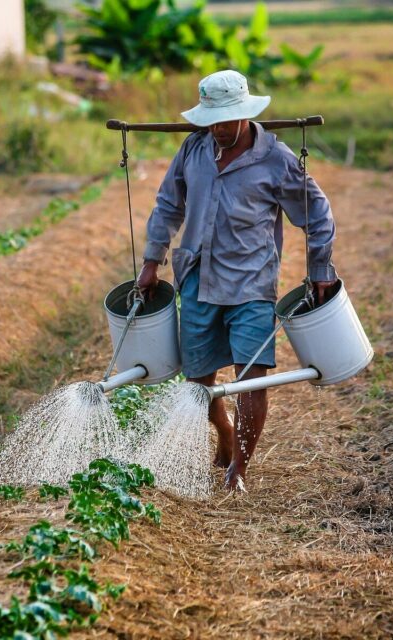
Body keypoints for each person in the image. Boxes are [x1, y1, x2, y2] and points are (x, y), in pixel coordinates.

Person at [136, 69, 337, 493]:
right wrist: (152, 260)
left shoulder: (276, 160)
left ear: (245, 115)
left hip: (251, 284)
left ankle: (238, 472)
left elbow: (317, 214)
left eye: (226, 121)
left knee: (252, 377)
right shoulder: (193, 150)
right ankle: (224, 433)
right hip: (197, 279)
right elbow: (167, 205)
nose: (219, 129)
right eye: (212, 121)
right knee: (199, 383)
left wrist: (319, 269)